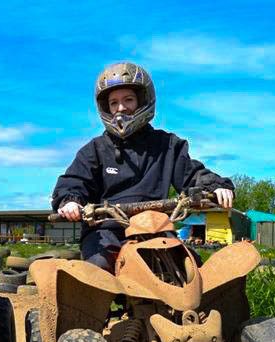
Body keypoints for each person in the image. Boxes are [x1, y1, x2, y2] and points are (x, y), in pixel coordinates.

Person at [51, 62, 235, 272]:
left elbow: (192, 174)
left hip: (156, 228)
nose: (121, 108)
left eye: (128, 99)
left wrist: (215, 187)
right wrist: (70, 200)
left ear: (143, 100)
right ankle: (84, 304)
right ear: (106, 108)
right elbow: (75, 181)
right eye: (113, 103)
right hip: (106, 229)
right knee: (98, 269)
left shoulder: (167, 145)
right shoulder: (94, 150)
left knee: (193, 268)